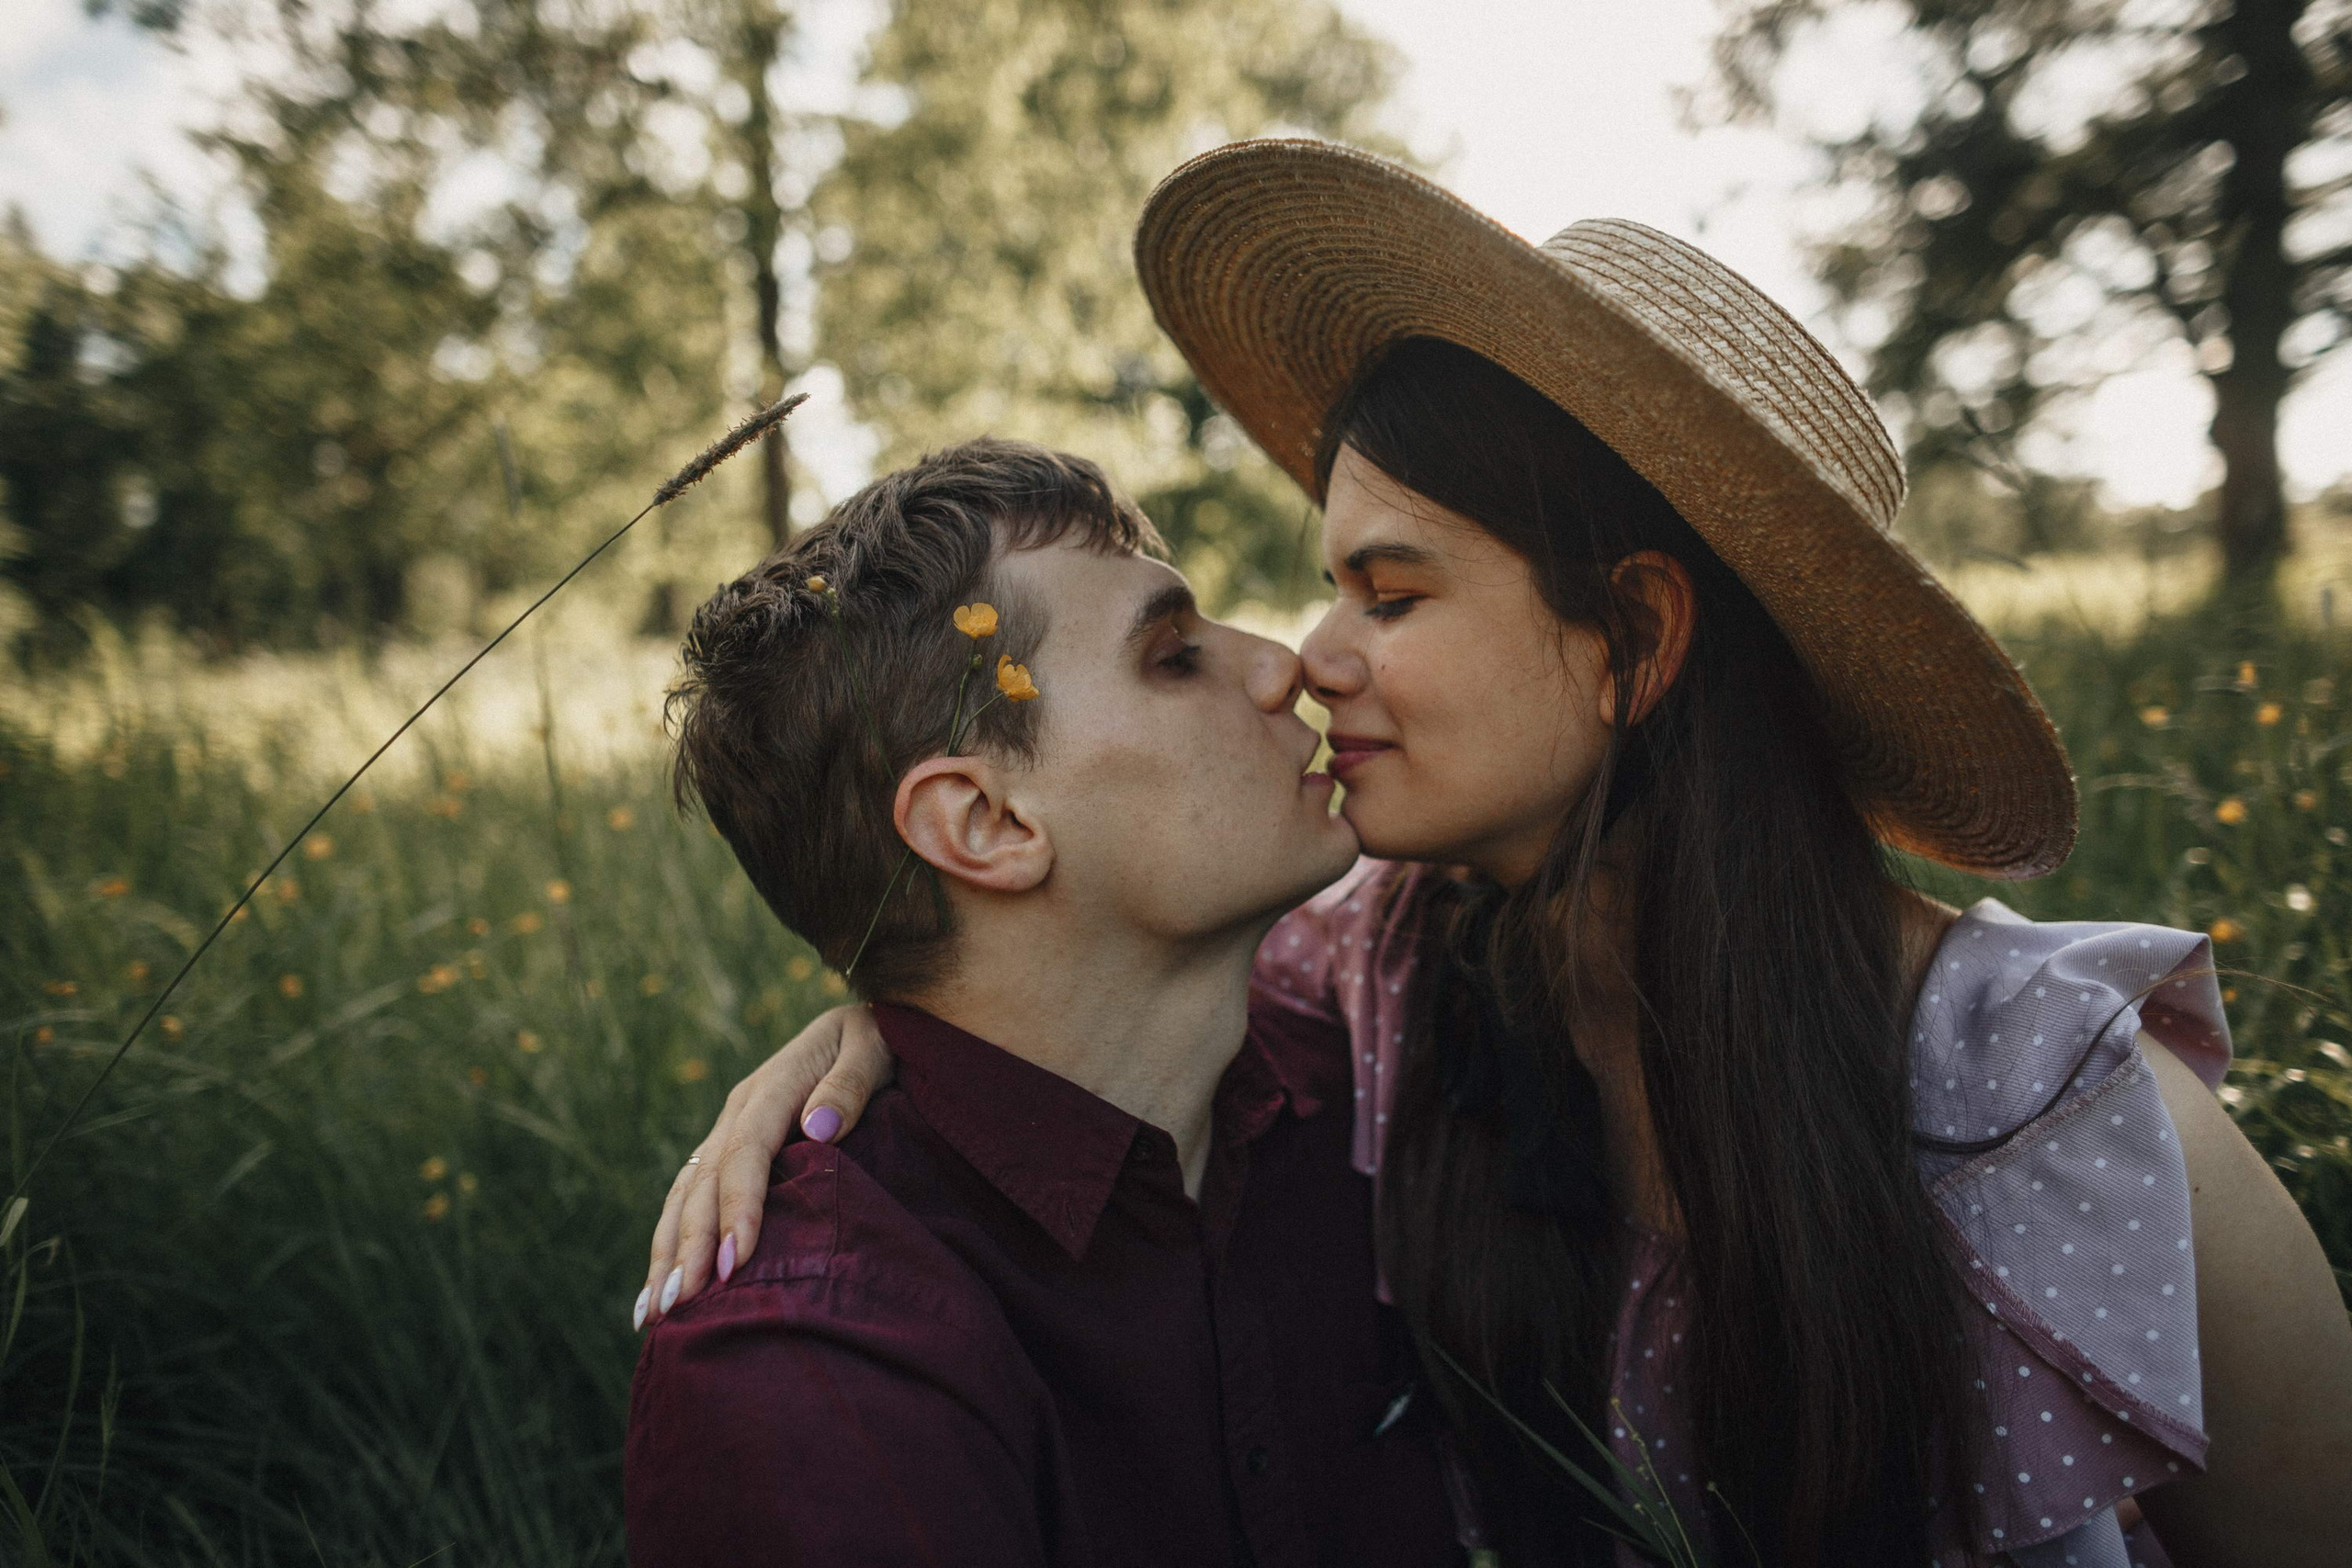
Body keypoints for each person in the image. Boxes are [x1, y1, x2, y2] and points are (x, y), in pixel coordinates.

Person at [639, 145, 2352, 1566]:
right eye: (1321, 591)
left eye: (1388, 594)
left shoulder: (2049, 1113)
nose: (1305, 656)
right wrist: (871, 1026)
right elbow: (1031, 1012)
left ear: (1631, 641)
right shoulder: (1390, 991)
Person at [625, 436, 1463, 1568]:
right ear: (987, 825)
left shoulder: (1358, 1083)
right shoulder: (822, 1366)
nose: (1282, 667)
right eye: (1171, 657)